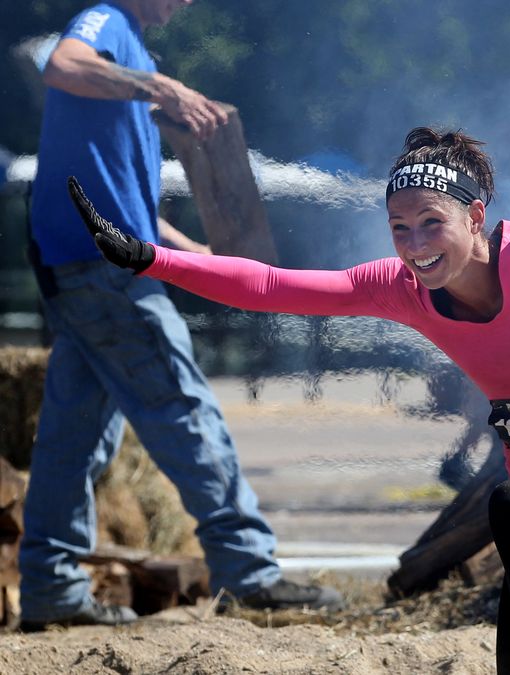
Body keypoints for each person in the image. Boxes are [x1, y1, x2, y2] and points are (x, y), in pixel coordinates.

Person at [68, 20, 510, 675]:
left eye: (431, 223)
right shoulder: (402, 289)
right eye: (399, 228)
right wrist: (149, 259)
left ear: (475, 216)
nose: (415, 246)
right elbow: (272, 286)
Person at [20, 0, 341, 631]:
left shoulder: (129, 51)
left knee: (73, 437)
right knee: (185, 410)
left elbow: (129, 209)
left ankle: (49, 584)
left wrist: (199, 255)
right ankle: (248, 572)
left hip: (80, 268)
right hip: (106, 273)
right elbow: (62, 63)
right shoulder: (107, 22)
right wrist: (163, 87)